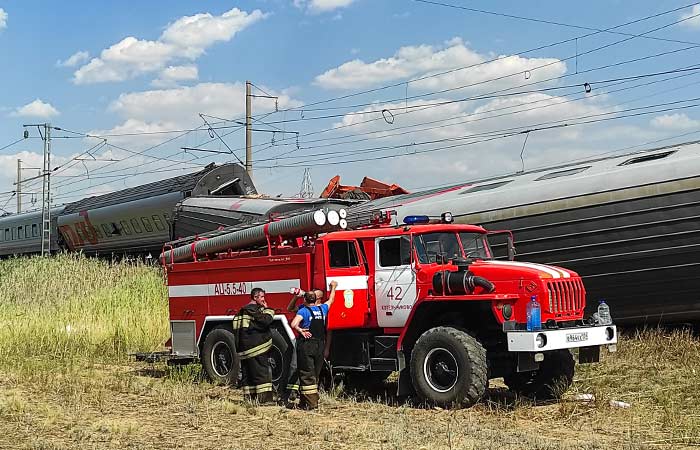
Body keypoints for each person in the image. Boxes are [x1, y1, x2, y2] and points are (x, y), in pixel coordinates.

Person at [289, 280, 337, 409]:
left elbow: (293, 324)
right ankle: (308, 400)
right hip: (320, 345)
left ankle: (310, 404)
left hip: (307, 345)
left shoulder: (303, 311)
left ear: (305, 300)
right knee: (315, 374)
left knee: (306, 373)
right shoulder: (322, 309)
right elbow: (331, 299)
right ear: (316, 299)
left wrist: (300, 330)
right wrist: (333, 287)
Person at [233, 287, 275, 404]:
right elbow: (265, 321)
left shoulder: (242, 311)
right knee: (261, 374)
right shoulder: (254, 310)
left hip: (244, 349)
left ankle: (249, 399)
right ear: (255, 297)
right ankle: (265, 400)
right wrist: (268, 310)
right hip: (256, 348)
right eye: (261, 297)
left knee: (248, 374)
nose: (263, 299)